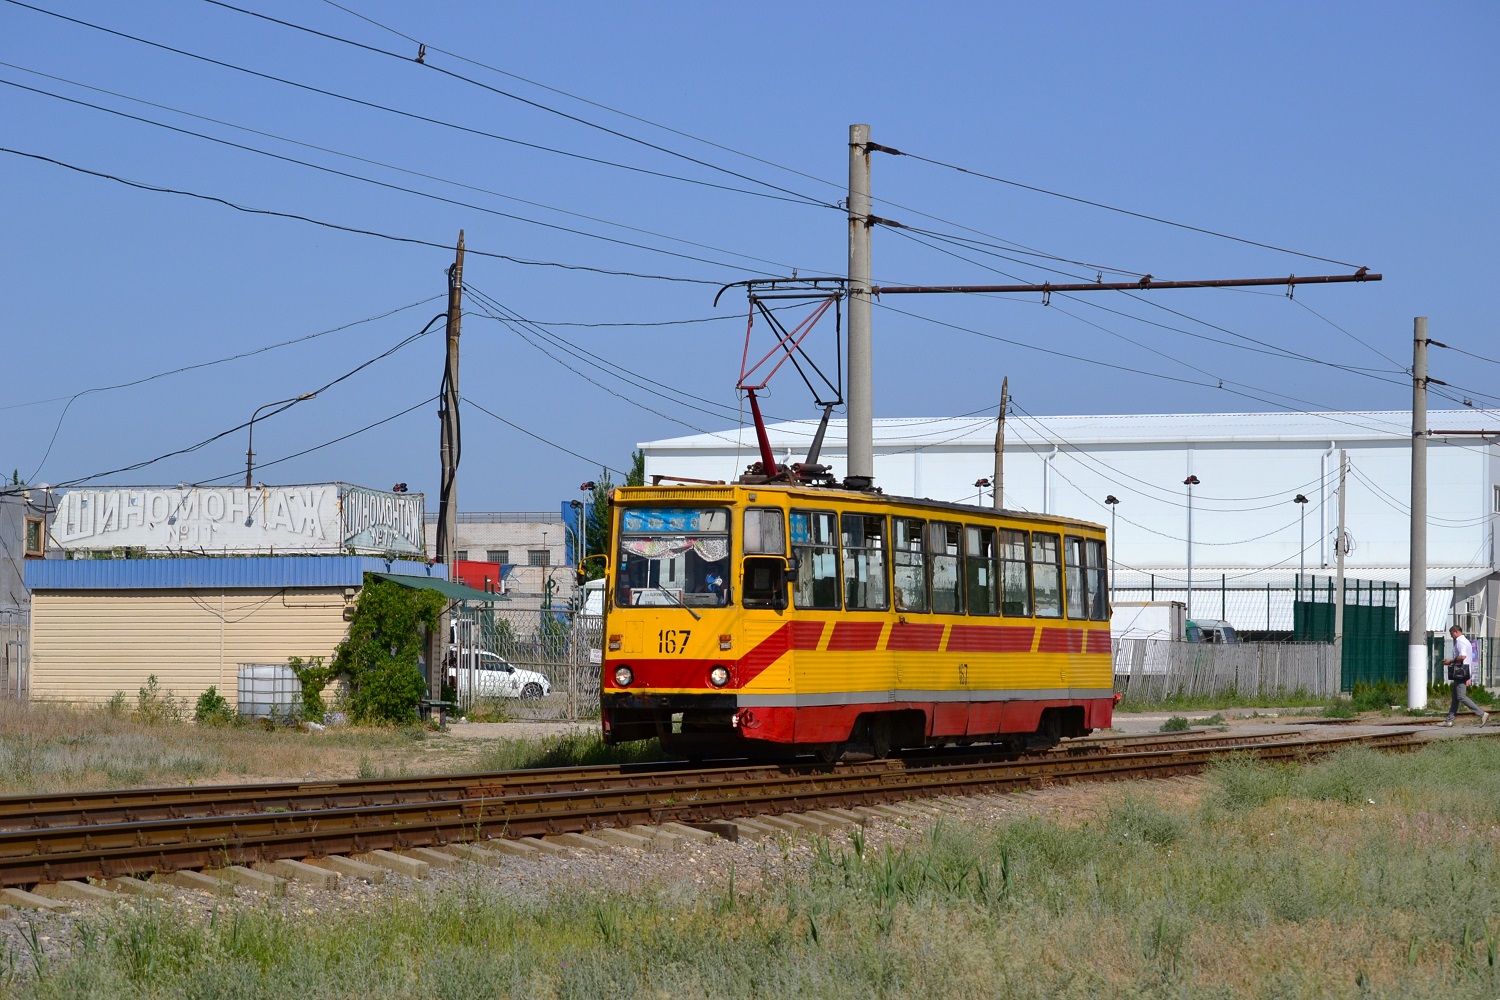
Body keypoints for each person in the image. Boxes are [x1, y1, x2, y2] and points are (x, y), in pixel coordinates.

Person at [1442, 625, 1487, 727]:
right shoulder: (1465, 641)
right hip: (1462, 672)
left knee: (1461, 696)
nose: (1451, 636)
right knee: (1455, 697)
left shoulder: (1460, 641)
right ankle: (1449, 720)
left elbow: (1462, 656)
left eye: (1451, 633)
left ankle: (1482, 714)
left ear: (1456, 632)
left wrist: (1450, 661)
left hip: (1460, 673)